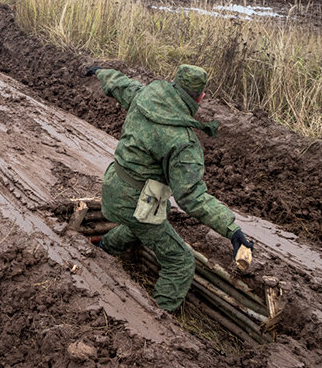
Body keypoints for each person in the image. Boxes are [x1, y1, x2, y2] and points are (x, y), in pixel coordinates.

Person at [85, 64, 254, 312]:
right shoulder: (183, 143)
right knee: (181, 261)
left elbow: (121, 85)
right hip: (135, 201)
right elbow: (191, 197)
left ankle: (103, 249)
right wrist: (232, 230)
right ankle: (158, 318)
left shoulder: (146, 96)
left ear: (175, 84)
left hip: (113, 187)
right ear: (201, 97)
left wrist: (101, 71)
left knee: (144, 224)